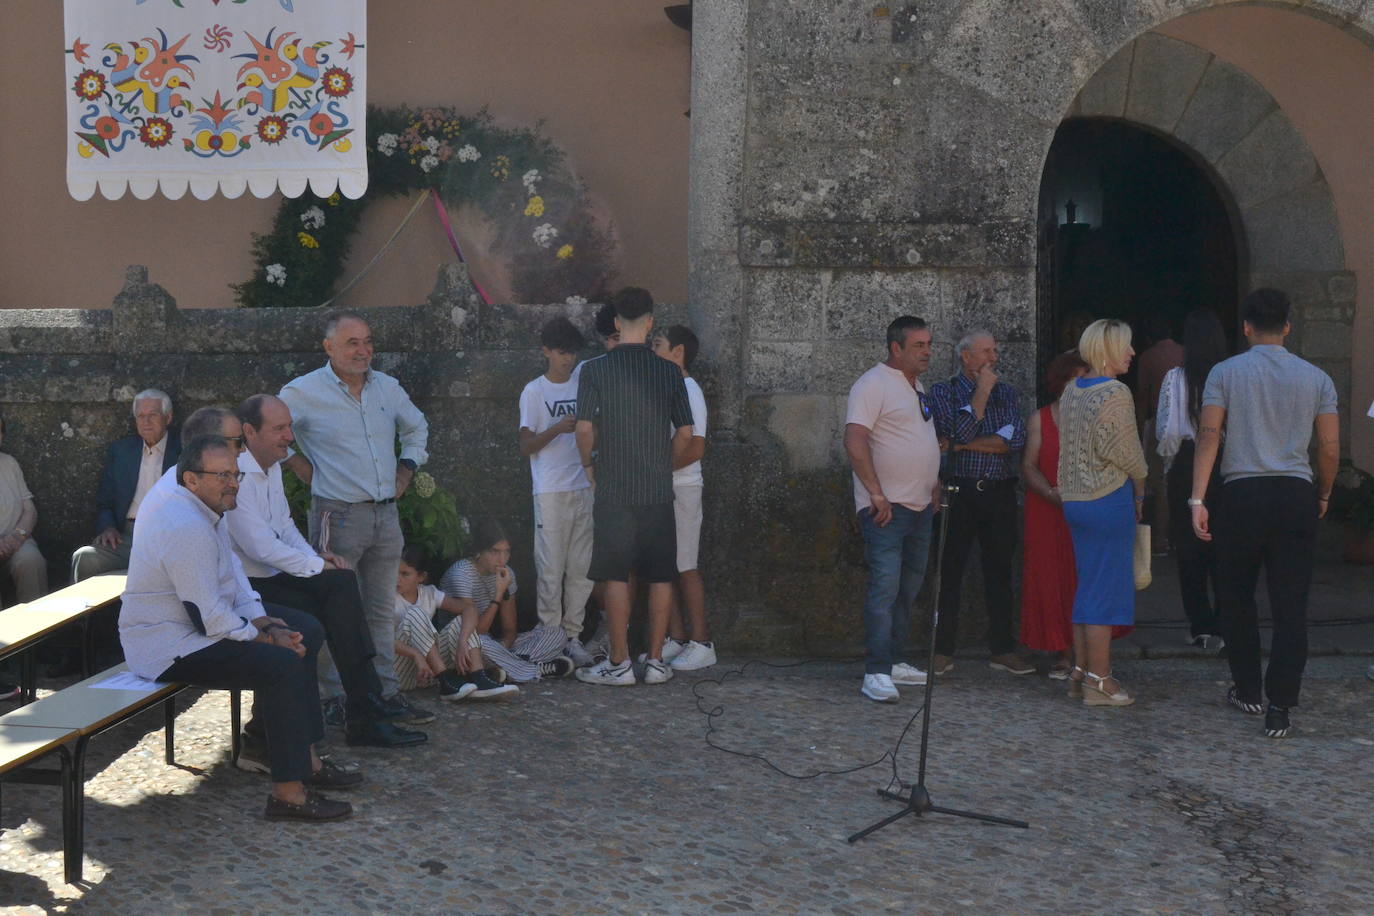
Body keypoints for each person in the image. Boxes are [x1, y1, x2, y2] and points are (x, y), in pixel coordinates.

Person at [119, 435, 358, 821]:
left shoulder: (208, 509)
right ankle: (287, 793)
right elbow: (208, 617)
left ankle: (307, 760)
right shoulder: (184, 524)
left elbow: (235, 583)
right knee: (281, 663)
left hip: (194, 632)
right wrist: (265, 636)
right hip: (167, 647)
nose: (233, 482)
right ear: (191, 480)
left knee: (306, 630)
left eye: (235, 473)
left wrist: (267, 622)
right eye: (221, 475)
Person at [227, 394, 426, 752]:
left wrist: (318, 559)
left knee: (341, 583)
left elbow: (285, 527)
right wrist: (315, 566)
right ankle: (363, 712)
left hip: (270, 575)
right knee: (330, 599)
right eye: (279, 429)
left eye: (289, 426)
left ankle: (365, 706)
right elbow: (259, 547)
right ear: (248, 431)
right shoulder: (235, 474)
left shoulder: (270, 465)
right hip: (246, 587)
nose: (290, 436)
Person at [1191, 288, 1339, 739]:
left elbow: (1209, 435)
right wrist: (1324, 492)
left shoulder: (1226, 372)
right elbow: (1329, 448)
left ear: (1247, 327)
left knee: (1237, 596)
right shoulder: (1317, 378)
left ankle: (1247, 687)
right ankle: (1282, 704)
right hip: (1294, 491)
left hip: (1243, 493)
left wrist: (1197, 498)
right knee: (1291, 605)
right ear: (1288, 327)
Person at [280, 310, 433, 727]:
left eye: (367, 341)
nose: (364, 350)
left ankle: (384, 693)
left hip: (386, 514)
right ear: (329, 347)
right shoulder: (303, 392)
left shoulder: (386, 387)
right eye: (353, 343)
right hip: (338, 513)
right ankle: (334, 697)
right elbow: (266, 430)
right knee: (334, 608)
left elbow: (418, 429)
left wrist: (407, 467)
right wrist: (297, 464)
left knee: (382, 609)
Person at [573, 287, 695, 686]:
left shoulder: (595, 370)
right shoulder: (668, 371)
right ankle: (657, 661)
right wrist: (664, 464)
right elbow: (686, 432)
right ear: (650, 322)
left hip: (614, 486)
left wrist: (588, 465)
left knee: (616, 574)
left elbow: (585, 428)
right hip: (656, 488)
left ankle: (620, 662)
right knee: (661, 575)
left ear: (614, 323)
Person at [843, 315, 941, 703]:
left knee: (908, 588)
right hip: (887, 509)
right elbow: (855, 440)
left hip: (919, 507)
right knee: (884, 589)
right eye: (919, 345)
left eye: (929, 344)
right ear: (895, 348)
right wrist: (876, 494)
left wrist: (931, 482)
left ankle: (895, 659)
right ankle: (876, 671)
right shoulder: (872, 384)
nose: (927, 351)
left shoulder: (918, 386)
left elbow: (919, 439)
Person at [928, 330, 1032, 677]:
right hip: (959, 491)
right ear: (966, 357)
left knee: (1000, 572)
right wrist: (982, 394)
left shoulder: (1008, 393)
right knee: (949, 571)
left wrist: (962, 443)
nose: (994, 358)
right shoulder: (943, 391)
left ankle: (1002, 649)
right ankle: (941, 650)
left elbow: (1013, 440)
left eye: (995, 351)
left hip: (1000, 491)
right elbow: (953, 432)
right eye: (986, 352)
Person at [1057, 319, 1147, 707]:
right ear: (1108, 350)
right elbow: (1126, 452)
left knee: (1087, 586)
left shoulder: (1072, 390)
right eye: (1125, 346)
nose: (1131, 352)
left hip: (1075, 499)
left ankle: (1080, 671)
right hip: (1107, 497)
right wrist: (1142, 482)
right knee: (1105, 592)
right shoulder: (1115, 392)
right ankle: (1101, 679)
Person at [519, 317, 596, 667]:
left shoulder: (583, 381)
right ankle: (549, 635)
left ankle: (573, 636)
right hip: (549, 489)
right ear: (546, 352)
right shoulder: (534, 391)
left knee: (582, 567)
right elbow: (526, 445)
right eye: (562, 352)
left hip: (584, 483)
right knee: (550, 567)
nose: (568, 359)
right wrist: (556, 429)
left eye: (573, 353)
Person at [1156, 309, 1230, 650]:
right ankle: (1227, 620)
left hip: (1188, 461)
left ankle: (1201, 625)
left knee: (1189, 548)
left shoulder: (1176, 377)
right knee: (1226, 545)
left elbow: (1168, 431)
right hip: (1228, 462)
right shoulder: (1232, 375)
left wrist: (1170, 463)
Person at [1019, 351, 1089, 678]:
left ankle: (1088, 654)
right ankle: (1064, 652)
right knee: (1052, 579)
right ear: (1061, 384)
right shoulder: (1040, 419)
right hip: (1047, 510)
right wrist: (1050, 492)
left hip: (1088, 509)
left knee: (1084, 580)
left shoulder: (1097, 420)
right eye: (1077, 380)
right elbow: (1029, 465)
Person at [653, 325, 716, 671]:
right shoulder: (669, 388)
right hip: (668, 487)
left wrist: (661, 473)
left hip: (684, 487)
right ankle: (677, 637)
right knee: (666, 565)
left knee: (686, 565)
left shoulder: (689, 390)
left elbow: (697, 446)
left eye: (658, 345)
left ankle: (702, 641)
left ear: (678, 352)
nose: (653, 350)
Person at [439, 521, 572, 684]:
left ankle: (501, 669)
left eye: (506, 552)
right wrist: (498, 594)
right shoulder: (461, 575)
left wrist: (504, 647)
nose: (502, 559)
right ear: (478, 552)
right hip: (462, 643)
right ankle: (534, 670)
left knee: (556, 633)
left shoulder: (507, 574)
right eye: (495, 552)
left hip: (492, 646)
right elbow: (477, 630)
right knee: (482, 643)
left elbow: (510, 629)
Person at [71, 389, 181, 582]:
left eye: (152, 415)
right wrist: (108, 527)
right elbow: (105, 501)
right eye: (140, 416)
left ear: (168, 417)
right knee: (84, 557)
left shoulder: (184, 450)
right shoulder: (122, 451)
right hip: (127, 537)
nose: (146, 422)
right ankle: (83, 613)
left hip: (168, 537)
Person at [393, 545, 518, 700]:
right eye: (395, 572)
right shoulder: (386, 598)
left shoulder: (429, 593)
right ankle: (446, 680)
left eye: (405, 574)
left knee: (462, 621)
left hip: (429, 673)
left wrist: (462, 641)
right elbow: (379, 639)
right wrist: (416, 654)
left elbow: (469, 610)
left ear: (421, 577)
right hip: (399, 672)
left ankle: (478, 676)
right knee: (415, 613)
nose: (397, 579)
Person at [1136, 314, 1184, 556]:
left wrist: (1137, 426)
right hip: (1186, 424)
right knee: (1183, 480)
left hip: (1159, 423)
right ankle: (1182, 536)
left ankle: (1161, 539)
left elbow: (1144, 396)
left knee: (1160, 483)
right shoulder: (1185, 353)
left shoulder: (1148, 357)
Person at [0, 412, 47, 605]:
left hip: (15, 541)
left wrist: (15, 538)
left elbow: (29, 510)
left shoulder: (9, 463)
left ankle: (36, 629)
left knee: (31, 560)